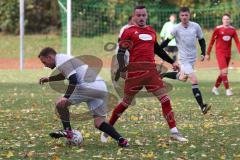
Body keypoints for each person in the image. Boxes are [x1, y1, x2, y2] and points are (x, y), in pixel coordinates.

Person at [101, 5, 188, 143]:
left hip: (151, 72)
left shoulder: (151, 31)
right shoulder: (128, 32)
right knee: (125, 103)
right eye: (139, 15)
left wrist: (172, 62)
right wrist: (122, 69)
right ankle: (108, 129)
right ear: (134, 16)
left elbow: (158, 50)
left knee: (165, 99)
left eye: (143, 15)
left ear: (146, 16)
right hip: (135, 72)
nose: (141, 18)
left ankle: (174, 132)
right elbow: (121, 52)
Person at [38, 47, 129, 147]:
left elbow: (73, 79)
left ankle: (68, 132)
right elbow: (65, 75)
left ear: (50, 57)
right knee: (99, 123)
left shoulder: (60, 61)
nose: (45, 65)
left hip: (87, 86)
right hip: (101, 87)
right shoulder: (64, 59)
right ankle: (122, 140)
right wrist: (50, 79)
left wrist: (66, 97)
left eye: (44, 62)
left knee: (60, 104)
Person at [160, 7, 211, 114]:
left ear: (189, 15)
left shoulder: (196, 26)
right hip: (183, 59)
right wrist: (157, 49)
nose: (184, 17)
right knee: (193, 79)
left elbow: (201, 40)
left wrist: (203, 52)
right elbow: (167, 41)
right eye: (182, 15)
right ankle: (202, 106)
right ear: (179, 16)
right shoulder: (176, 28)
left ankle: (163, 75)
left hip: (192, 58)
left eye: (186, 15)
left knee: (182, 78)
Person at [206, 13, 240, 96]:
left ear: (230, 20)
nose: (226, 20)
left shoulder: (232, 30)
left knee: (222, 72)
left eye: (227, 19)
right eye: (224, 19)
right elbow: (211, 41)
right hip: (219, 53)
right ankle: (228, 90)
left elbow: (237, 42)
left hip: (228, 53)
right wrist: (208, 53)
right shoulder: (218, 29)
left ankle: (215, 88)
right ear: (222, 20)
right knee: (224, 71)